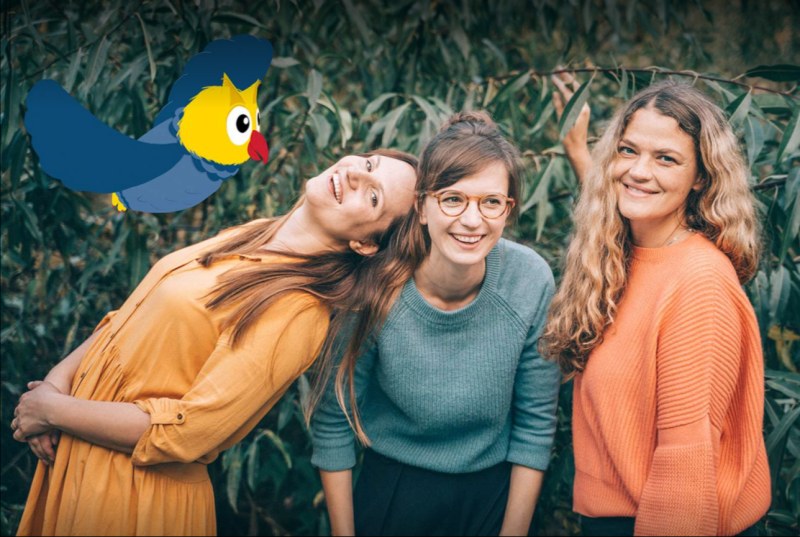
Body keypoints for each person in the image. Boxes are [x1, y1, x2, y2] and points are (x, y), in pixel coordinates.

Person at [10, 149, 419, 536]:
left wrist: (55, 411)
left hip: (130, 497)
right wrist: (55, 385)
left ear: (366, 245)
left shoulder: (296, 312)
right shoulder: (255, 235)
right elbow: (132, 319)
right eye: (370, 163)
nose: (355, 173)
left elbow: (188, 432)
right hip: (80, 459)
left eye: (373, 197)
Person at [310, 111, 561, 536]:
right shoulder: (375, 288)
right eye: (452, 199)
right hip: (394, 488)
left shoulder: (528, 280)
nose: (472, 220)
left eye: (491, 202)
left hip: (493, 494)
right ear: (421, 206)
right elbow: (334, 417)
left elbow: (535, 425)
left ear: (508, 210)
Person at [540, 80, 771, 536]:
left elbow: (685, 470)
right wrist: (579, 151)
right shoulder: (617, 257)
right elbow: (621, 198)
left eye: (666, 158)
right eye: (627, 150)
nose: (639, 171)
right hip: (612, 520)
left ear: (700, 177)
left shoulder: (699, 283)